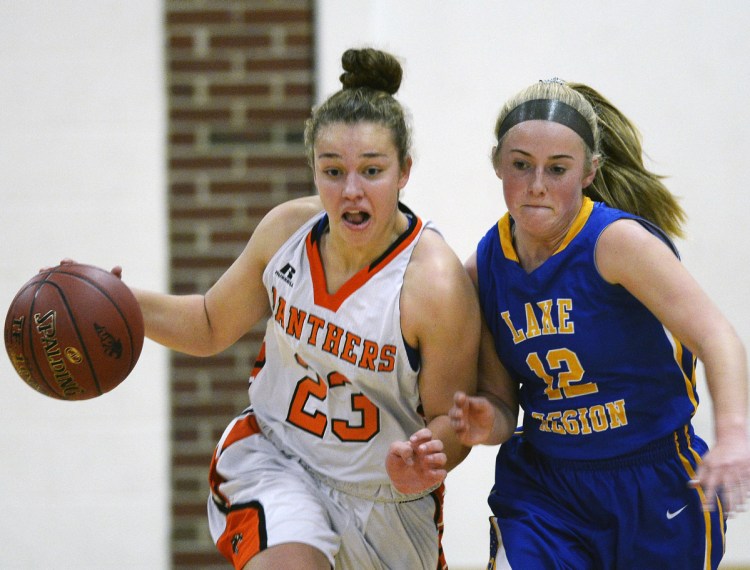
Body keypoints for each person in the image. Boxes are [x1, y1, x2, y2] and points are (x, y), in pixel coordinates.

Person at [130, 48, 479, 569]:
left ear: (404, 171)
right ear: (313, 169)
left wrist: (428, 460)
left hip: (386, 500)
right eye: (332, 171)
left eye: (372, 170)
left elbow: (450, 423)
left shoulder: (434, 283)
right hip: (277, 459)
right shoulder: (286, 232)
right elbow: (207, 324)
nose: (351, 191)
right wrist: (119, 301)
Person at [449, 78, 750, 569]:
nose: (537, 184)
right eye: (521, 165)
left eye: (557, 169)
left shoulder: (616, 244)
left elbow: (717, 336)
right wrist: (489, 419)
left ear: (589, 172)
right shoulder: (483, 267)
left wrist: (735, 434)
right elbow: (504, 406)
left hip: (652, 481)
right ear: (498, 165)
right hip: (546, 489)